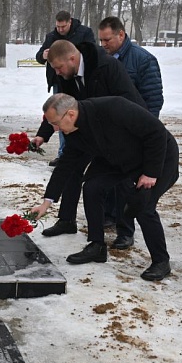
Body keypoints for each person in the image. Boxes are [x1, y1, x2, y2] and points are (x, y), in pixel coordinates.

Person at [30, 93, 179, 281]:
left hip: (157, 157)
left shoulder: (113, 107)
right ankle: (97, 246)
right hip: (117, 159)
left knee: (143, 206)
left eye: (56, 123)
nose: (56, 129)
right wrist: (46, 202)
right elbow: (65, 166)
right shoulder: (73, 132)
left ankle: (161, 262)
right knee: (92, 187)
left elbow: (156, 132)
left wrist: (150, 172)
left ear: (70, 114)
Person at [31, 39, 146, 239]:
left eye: (58, 67)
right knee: (71, 168)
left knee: (123, 179)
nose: (56, 72)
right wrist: (43, 133)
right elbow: (59, 106)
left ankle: (125, 231)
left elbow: (129, 100)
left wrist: (136, 136)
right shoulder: (67, 73)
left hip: (116, 134)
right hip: (85, 129)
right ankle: (67, 220)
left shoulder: (107, 67)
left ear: (72, 58)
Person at [98, 16, 165, 250]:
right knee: (107, 178)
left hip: (135, 132)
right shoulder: (102, 59)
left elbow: (153, 99)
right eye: (101, 40)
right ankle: (108, 215)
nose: (103, 44)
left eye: (107, 40)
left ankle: (125, 230)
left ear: (121, 35)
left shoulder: (143, 60)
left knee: (127, 183)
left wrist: (145, 133)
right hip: (111, 131)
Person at [35, 11, 95, 166]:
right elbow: (39, 56)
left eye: (63, 26)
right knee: (60, 115)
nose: (60, 29)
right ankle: (64, 153)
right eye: (58, 26)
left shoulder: (84, 33)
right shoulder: (51, 36)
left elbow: (91, 52)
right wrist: (44, 55)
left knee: (78, 114)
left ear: (70, 22)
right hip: (59, 82)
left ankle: (88, 152)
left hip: (80, 78)